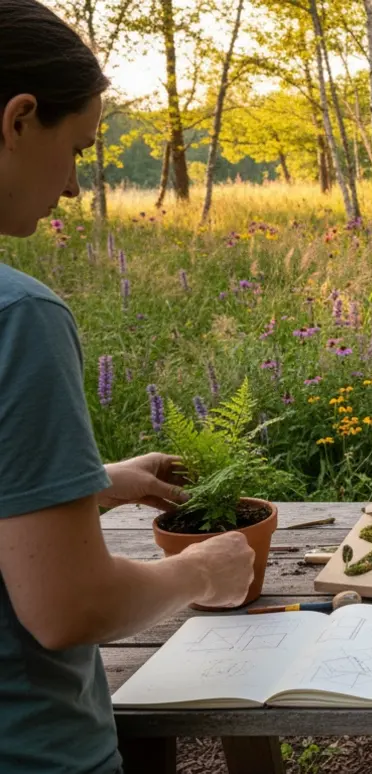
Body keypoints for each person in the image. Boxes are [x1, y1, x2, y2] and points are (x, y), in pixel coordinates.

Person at [0, 2, 258, 771]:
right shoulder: (19, 317)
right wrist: (200, 571)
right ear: (17, 120)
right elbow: (68, 608)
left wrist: (92, 485)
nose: (76, 186)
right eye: (75, 148)